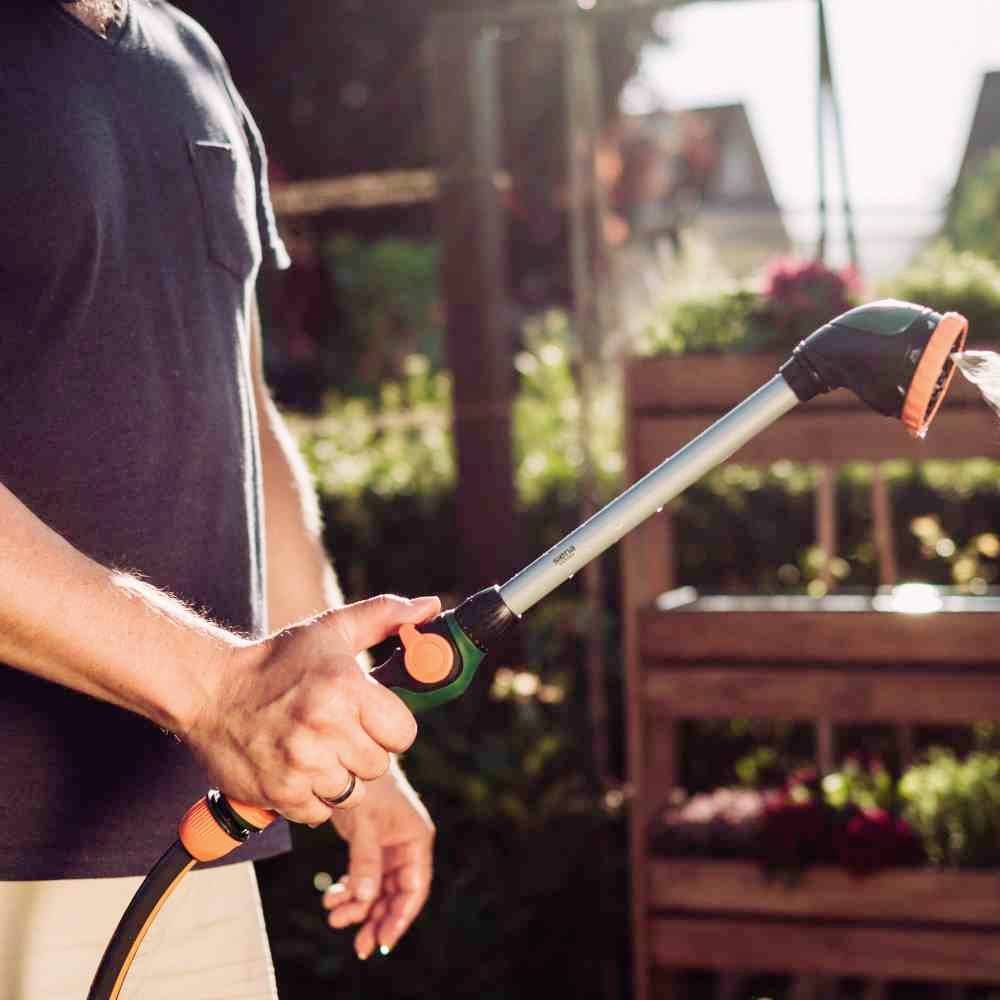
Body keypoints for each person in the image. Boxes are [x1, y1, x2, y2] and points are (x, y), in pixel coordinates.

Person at [0, 1, 436, 996]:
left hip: (186, 845)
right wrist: (218, 689)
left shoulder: (189, 58)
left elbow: (238, 410)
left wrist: (344, 739)